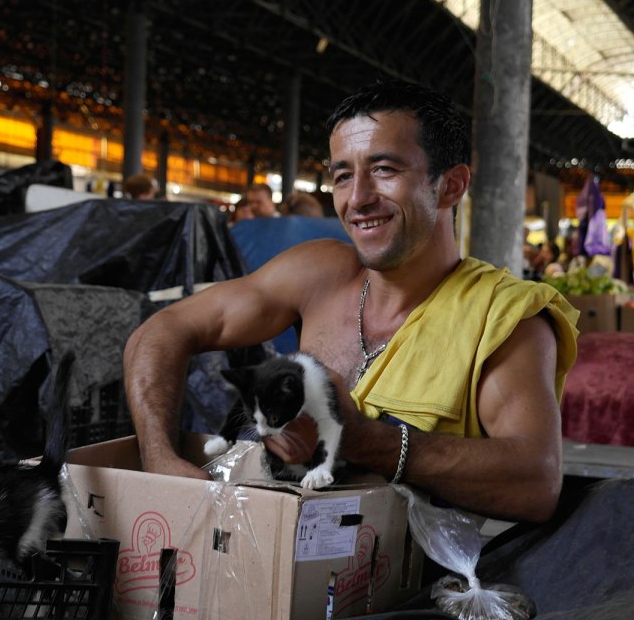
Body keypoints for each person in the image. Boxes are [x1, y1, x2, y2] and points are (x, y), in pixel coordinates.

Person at [124, 80, 579, 522]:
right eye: (343, 176)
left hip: (407, 568)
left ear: (451, 186)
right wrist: (159, 457)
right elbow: (162, 330)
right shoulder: (315, 274)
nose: (357, 199)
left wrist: (367, 442)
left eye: (384, 170)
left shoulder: (504, 318)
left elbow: (536, 483)